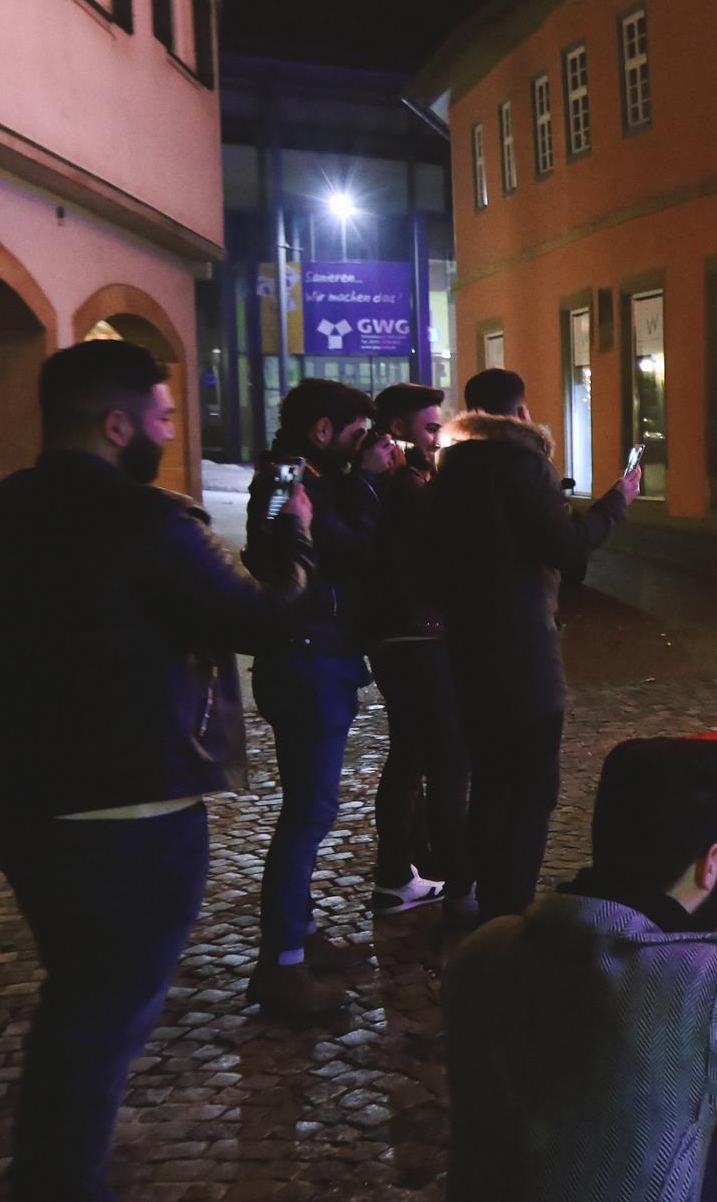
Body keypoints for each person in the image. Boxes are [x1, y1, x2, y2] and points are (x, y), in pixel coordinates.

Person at [0, 340, 314, 1199]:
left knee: (80, 989)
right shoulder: (153, 520)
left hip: (17, 800)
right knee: (102, 1008)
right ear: (116, 424)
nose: (168, 431)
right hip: (133, 807)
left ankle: (63, 1152)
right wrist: (295, 537)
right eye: (161, 417)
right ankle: (59, 1177)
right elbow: (261, 617)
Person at [446, 737, 717, 1202]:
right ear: (712, 864)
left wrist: (699, 921)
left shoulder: (482, 950)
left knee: (716, 1154)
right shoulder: (702, 992)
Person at [428, 367, 641, 921]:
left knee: (488, 775)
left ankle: (466, 890)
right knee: (531, 784)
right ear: (521, 412)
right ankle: (508, 910)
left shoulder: (450, 465)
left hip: (467, 643)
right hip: (522, 642)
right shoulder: (523, 462)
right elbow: (567, 547)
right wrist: (617, 500)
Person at [244, 378, 398, 1015]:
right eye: (358, 435)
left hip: (317, 653)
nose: (367, 446)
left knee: (309, 808)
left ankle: (300, 936)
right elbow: (349, 545)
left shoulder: (306, 474)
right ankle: (281, 964)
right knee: (308, 813)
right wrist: (368, 481)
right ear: (323, 430)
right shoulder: (291, 479)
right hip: (307, 658)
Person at [366, 382, 466, 916]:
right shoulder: (405, 484)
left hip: (401, 635)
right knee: (437, 757)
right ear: (398, 428)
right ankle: (444, 875)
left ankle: (402, 871)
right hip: (417, 637)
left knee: (410, 754)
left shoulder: (398, 478)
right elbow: (440, 548)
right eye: (430, 427)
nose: (437, 436)